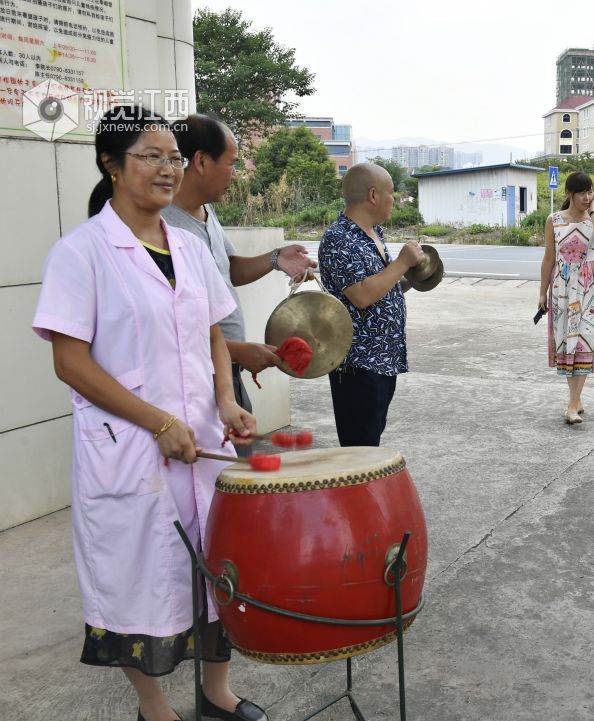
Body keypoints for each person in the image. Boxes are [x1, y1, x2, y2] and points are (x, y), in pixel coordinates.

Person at [31, 106, 266, 721]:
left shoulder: (188, 247)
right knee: (138, 577)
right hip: (130, 448)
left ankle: (217, 696)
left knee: (221, 568)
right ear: (111, 165)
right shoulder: (80, 253)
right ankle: (154, 706)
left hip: (203, 440)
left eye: (175, 158)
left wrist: (224, 401)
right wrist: (158, 421)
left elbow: (213, 329)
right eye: (151, 156)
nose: (170, 169)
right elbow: (71, 362)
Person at [163, 114, 315, 456]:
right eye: (231, 163)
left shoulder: (204, 211)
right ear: (201, 161)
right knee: (219, 478)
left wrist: (277, 258)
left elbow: (228, 270)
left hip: (226, 372)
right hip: (194, 378)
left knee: (236, 471)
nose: (236, 173)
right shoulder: (163, 230)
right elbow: (171, 331)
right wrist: (239, 351)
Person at [319, 163, 425, 446]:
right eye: (391, 192)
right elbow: (362, 295)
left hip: (382, 360)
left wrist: (414, 276)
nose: (395, 198)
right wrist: (402, 263)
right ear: (374, 195)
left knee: (371, 440)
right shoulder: (339, 238)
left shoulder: (373, 233)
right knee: (360, 450)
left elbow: (382, 286)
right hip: (358, 365)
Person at [538, 171, 594, 424]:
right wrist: (541, 292)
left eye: (590, 192)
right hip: (561, 286)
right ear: (569, 193)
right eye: (582, 192)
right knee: (567, 342)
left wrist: (592, 213)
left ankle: (571, 406)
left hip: (589, 285)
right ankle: (576, 400)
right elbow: (549, 257)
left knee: (584, 340)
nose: (587, 197)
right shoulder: (554, 220)